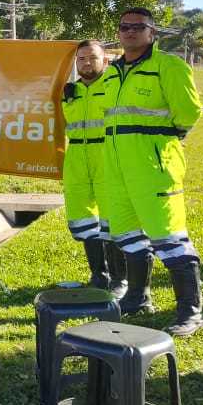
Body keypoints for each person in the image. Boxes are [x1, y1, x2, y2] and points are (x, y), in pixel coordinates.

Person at [101, 7, 203, 337]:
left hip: (154, 169)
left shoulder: (168, 66)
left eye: (138, 27)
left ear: (152, 33)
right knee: (129, 236)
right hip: (117, 171)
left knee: (169, 237)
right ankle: (137, 298)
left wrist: (158, 145)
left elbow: (188, 113)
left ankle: (190, 311)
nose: (130, 31)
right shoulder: (111, 72)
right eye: (124, 26)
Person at [61, 40, 127, 298]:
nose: (87, 63)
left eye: (92, 58)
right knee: (84, 218)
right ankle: (99, 275)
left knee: (112, 218)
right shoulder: (70, 91)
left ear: (105, 61)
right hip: (76, 158)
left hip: (106, 156)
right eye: (81, 59)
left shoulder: (113, 87)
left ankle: (119, 279)